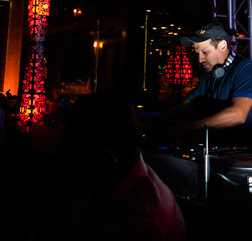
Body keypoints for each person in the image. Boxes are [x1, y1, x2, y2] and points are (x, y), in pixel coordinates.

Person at [41, 92, 186, 241]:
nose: (63, 148)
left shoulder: (142, 221)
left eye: (75, 142)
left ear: (107, 153)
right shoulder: (112, 179)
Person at [163, 23, 252, 152]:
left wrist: (187, 128)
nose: (200, 59)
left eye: (205, 52)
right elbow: (186, 106)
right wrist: (154, 123)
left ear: (223, 45)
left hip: (245, 157)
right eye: (197, 53)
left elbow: (238, 115)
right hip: (213, 153)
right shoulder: (208, 76)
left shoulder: (247, 69)